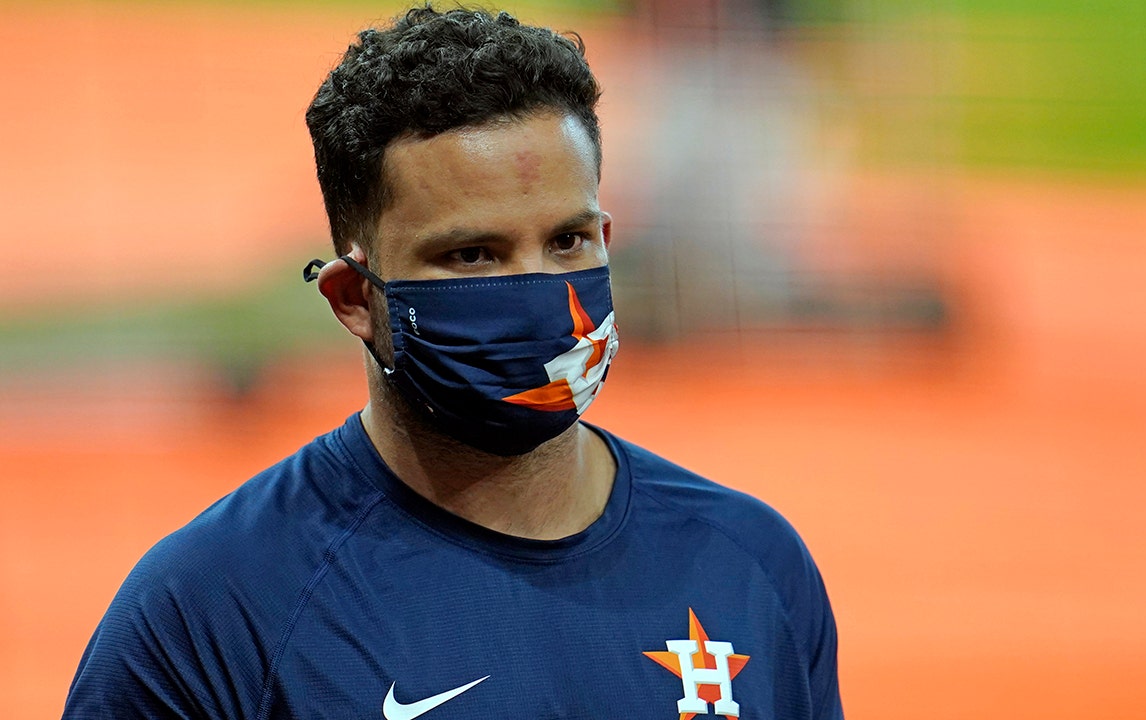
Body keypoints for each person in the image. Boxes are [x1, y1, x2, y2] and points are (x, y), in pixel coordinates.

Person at [62, 5, 843, 719]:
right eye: (473, 255)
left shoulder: (752, 564)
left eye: (568, 241)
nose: (542, 296)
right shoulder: (212, 612)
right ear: (353, 298)